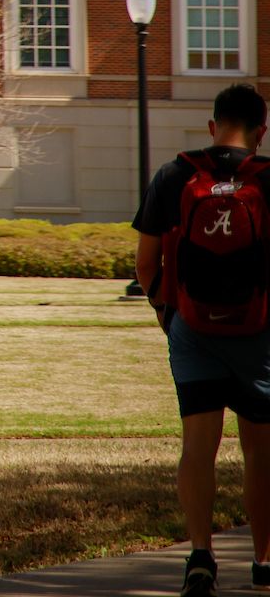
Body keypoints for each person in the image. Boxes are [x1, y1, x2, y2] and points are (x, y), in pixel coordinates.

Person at [137, 82, 270, 597]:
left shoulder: (173, 176)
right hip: (259, 335)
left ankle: (200, 556)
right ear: (261, 132)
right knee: (259, 450)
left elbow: (146, 264)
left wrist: (171, 317)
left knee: (198, 446)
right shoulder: (268, 179)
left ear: (213, 127)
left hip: (192, 330)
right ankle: (263, 560)